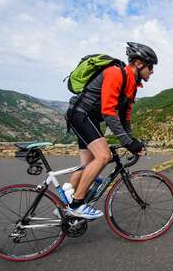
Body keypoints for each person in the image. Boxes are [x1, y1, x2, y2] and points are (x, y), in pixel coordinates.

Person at [64, 42, 158, 219]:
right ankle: (76, 204)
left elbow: (124, 119)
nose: (152, 71)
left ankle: (64, 208)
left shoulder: (132, 86)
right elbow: (108, 112)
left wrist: (133, 140)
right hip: (80, 114)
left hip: (88, 118)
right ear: (139, 64)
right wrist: (127, 142)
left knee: (87, 164)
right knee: (104, 156)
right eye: (150, 66)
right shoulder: (116, 73)